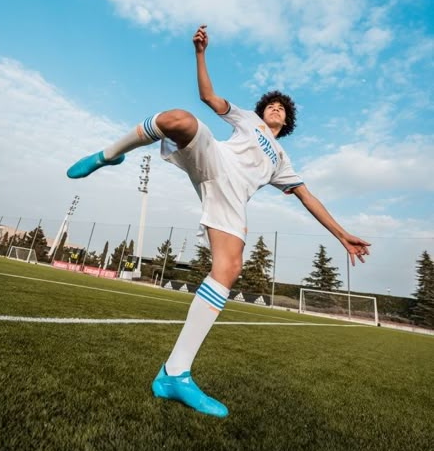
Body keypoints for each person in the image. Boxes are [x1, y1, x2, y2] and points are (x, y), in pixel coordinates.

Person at [67, 24, 370, 418]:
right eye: (272, 104)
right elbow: (208, 97)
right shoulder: (248, 121)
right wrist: (200, 53)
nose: (276, 108)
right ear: (262, 110)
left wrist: (343, 234)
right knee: (181, 119)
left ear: (287, 121)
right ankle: (108, 154)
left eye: (282, 108)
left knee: (228, 267)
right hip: (214, 160)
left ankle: (174, 375)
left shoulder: (282, 160)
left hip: (232, 197)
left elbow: (308, 198)